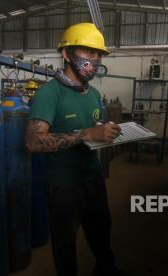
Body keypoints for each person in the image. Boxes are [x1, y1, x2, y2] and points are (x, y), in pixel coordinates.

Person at [25, 23, 124, 276]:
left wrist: (106, 131)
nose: (95, 59)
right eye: (89, 53)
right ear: (67, 54)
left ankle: (106, 270)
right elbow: (33, 142)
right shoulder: (50, 94)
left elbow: (92, 128)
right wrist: (86, 135)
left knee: (102, 233)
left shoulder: (93, 94)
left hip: (92, 178)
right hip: (64, 185)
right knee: (65, 245)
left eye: (98, 54)